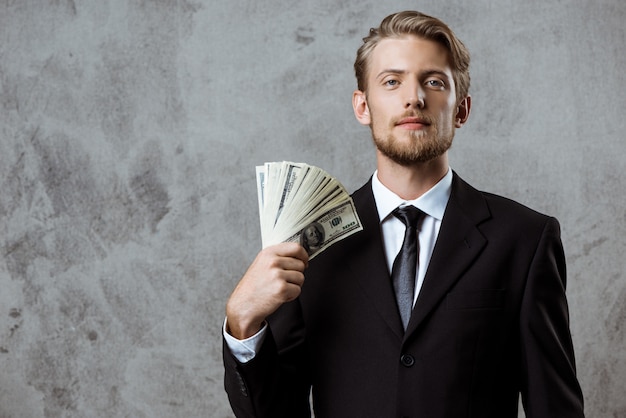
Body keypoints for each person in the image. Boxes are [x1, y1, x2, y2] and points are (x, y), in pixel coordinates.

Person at [223, 10, 585, 418]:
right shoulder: (308, 241)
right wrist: (242, 325)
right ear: (363, 106)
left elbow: (556, 407)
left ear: (461, 109)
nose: (413, 97)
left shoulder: (524, 239)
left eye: (433, 81)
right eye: (392, 81)